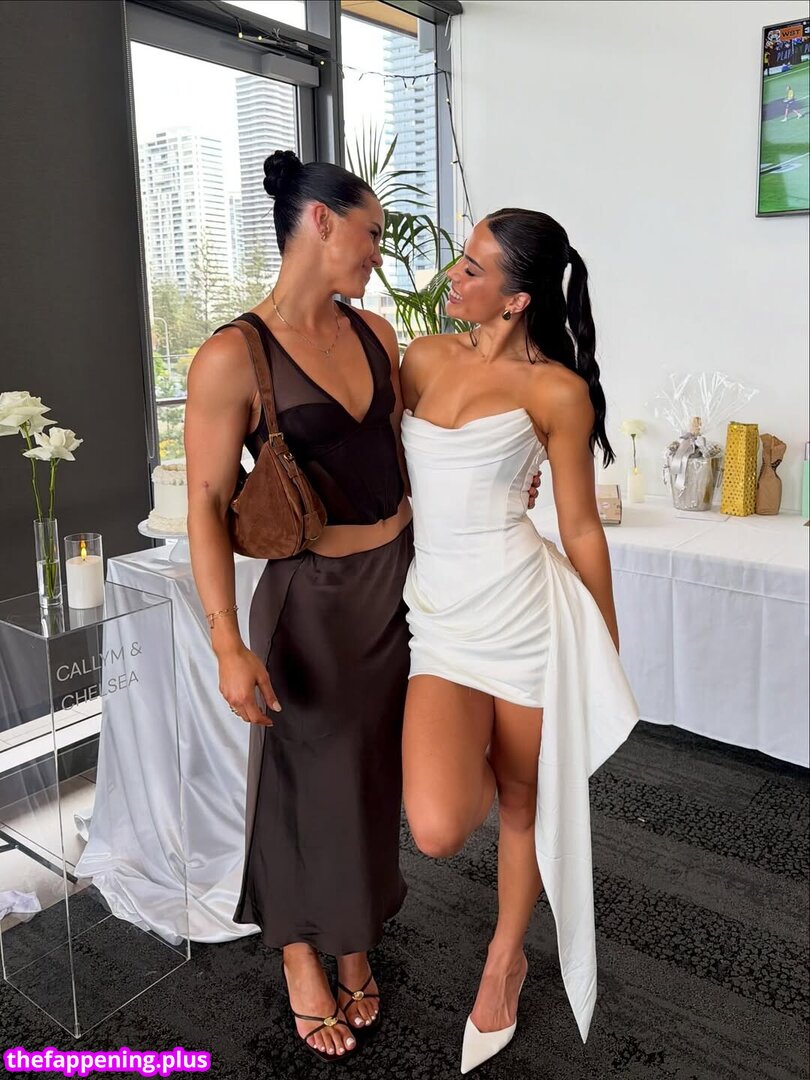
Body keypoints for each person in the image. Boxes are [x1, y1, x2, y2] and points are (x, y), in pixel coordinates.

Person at [185, 151, 541, 1064]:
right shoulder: (233, 355)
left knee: (373, 772)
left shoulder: (378, 335)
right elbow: (205, 503)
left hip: (403, 584)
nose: (382, 252)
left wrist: (508, 476)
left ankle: (352, 938)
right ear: (321, 222)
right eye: (373, 232)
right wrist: (226, 644)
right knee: (302, 776)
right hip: (308, 600)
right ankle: (299, 952)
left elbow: (425, 442)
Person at [399, 208, 638, 1073]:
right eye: (459, 261)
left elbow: (580, 528)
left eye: (472, 269)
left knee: (526, 802)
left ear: (517, 299)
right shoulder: (421, 359)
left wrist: (603, 643)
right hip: (440, 618)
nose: (452, 278)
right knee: (436, 825)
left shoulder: (556, 392)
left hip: (526, 617)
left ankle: (506, 958)